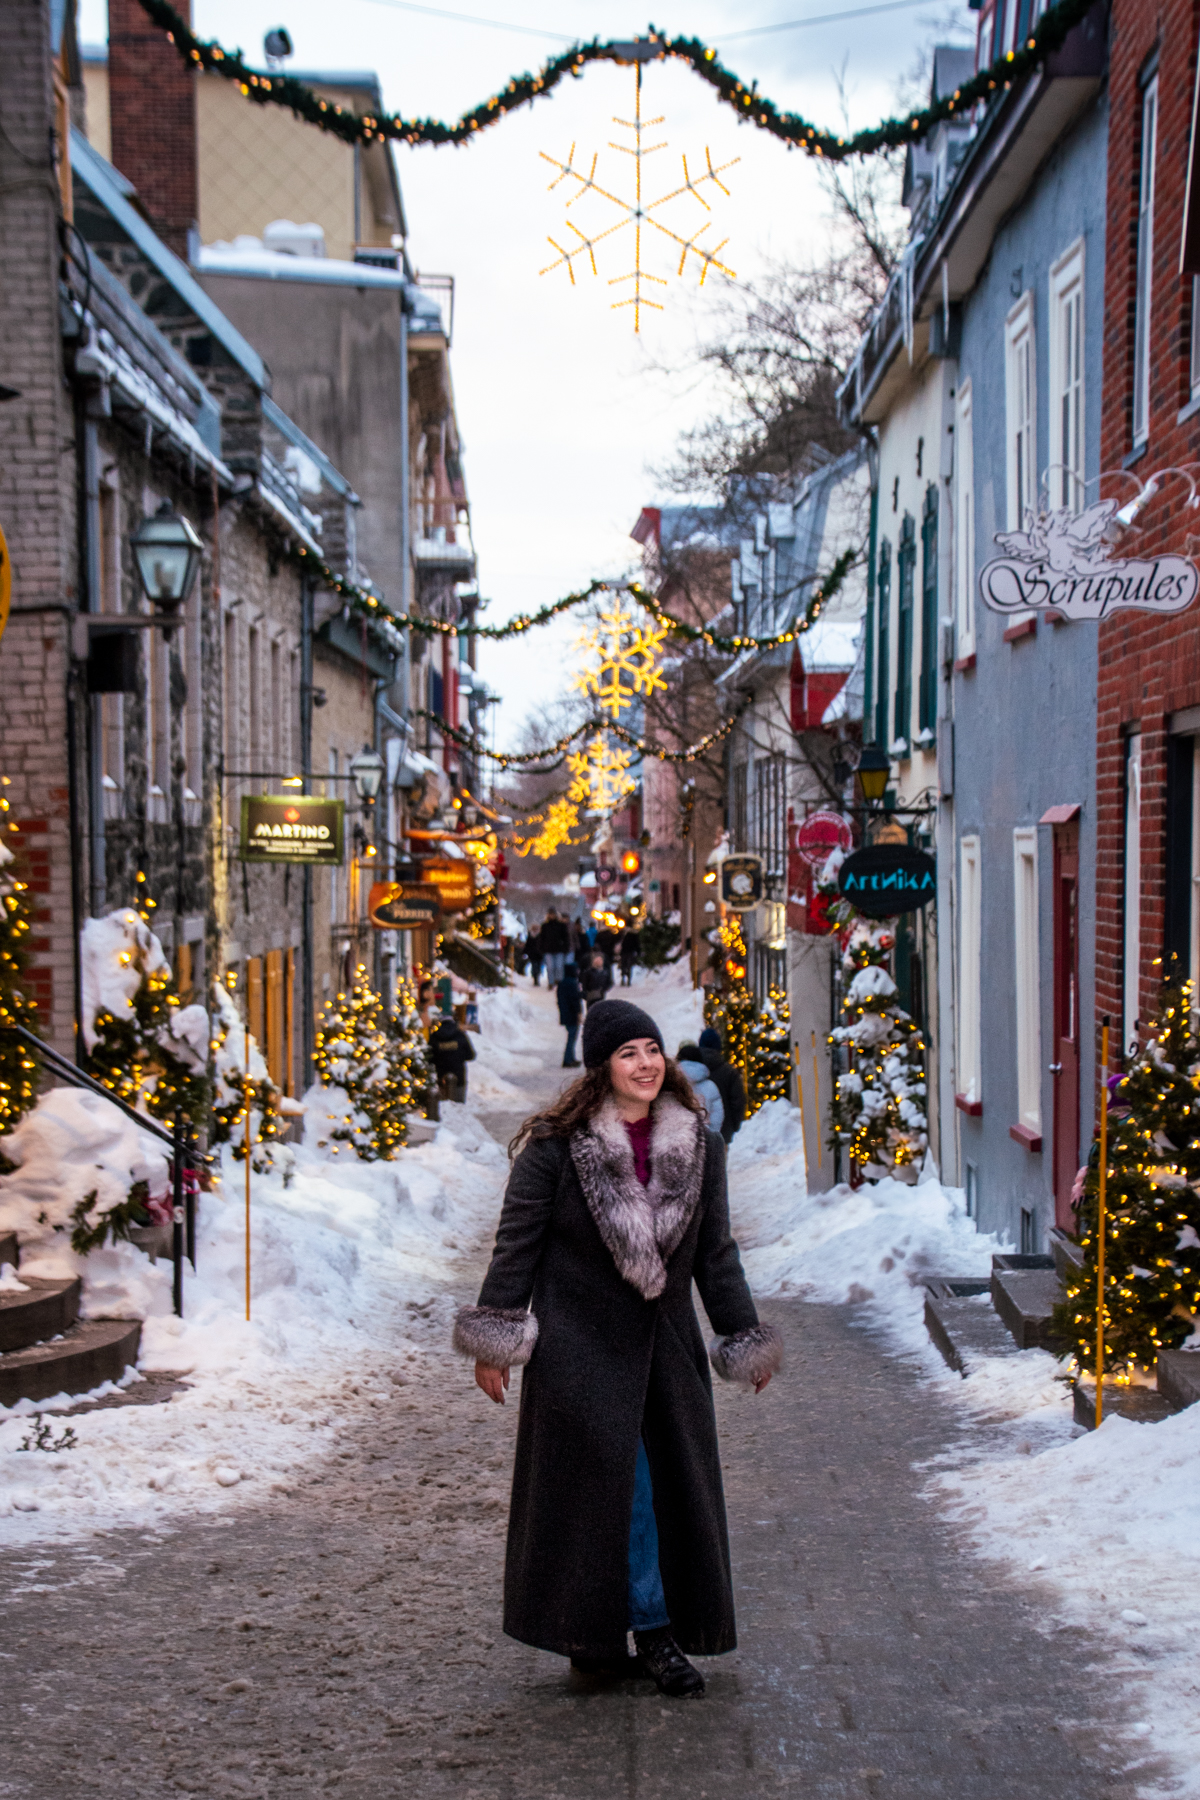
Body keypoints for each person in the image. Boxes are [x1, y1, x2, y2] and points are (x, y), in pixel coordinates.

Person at [453, 998, 779, 1697]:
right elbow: (518, 1247)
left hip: (665, 1352)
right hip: (578, 1351)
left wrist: (741, 1337)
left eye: (652, 1050)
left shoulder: (700, 1148)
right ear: (602, 1067)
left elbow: (716, 1257)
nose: (646, 1063)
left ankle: (597, 1638)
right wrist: (496, 1338)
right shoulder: (554, 1149)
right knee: (618, 1489)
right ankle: (652, 1633)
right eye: (628, 1052)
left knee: (659, 1490)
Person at [698, 1026, 746, 1146]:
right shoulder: (729, 1072)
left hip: (696, 1134)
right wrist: (734, 1127)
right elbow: (738, 1103)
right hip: (723, 1133)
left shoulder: (691, 1071)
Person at [675, 1042, 725, 1138]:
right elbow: (717, 1116)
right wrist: (712, 1136)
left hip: (677, 1140)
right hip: (704, 1139)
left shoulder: (671, 1083)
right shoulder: (711, 1086)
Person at [429, 1009, 477, 1103]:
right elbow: (470, 1055)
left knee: (444, 1105)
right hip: (459, 1075)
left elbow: (430, 1058)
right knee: (458, 1106)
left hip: (442, 1076)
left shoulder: (435, 1037)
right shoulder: (461, 1035)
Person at [556, 958, 582, 1068]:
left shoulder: (562, 983)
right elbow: (575, 1000)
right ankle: (568, 1059)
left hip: (565, 1014)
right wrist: (579, 1012)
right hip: (572, 1014)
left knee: (570, 1037)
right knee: (572, 1037)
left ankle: (570, 1058)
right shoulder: (572, 983)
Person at [541, 909, 569, 985]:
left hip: (559, 949)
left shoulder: (561, 926)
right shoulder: (545, 926)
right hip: (548, 949)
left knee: (559, 967)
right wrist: (542, 948)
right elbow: (542, 938)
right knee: (550, 967)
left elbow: (565, 938)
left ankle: (559, 981)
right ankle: (551, 982)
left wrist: (565, 947)